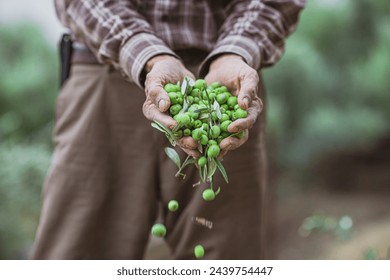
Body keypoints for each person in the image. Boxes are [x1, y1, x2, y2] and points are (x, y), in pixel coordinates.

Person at [31, 0, 305, 259]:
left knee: (225, 259)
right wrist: (148, 54)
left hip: (228, 81)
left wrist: (235, 51)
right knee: (76, 256)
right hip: (105, 69)